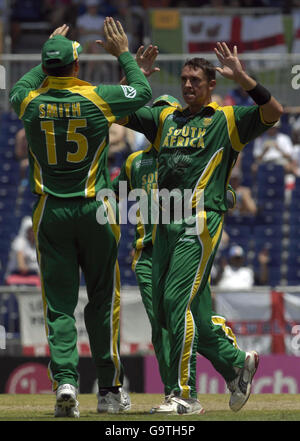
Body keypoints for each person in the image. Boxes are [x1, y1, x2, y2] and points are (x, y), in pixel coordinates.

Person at [118, 42, 283, 414]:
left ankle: (184, 395)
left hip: (198, 222)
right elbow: (115, 109)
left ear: (210, 85)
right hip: (164, 225)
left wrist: (242, 78)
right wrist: (136, 74)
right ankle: (237, 364)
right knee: (172, 311)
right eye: (184, 80)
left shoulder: (226, 120)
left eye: (196, 80)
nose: (188, 85)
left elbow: (274, 112)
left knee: (176, 303)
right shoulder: (166, 119)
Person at [9, 19, 152, 418]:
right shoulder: (96, 97)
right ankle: (108, 390)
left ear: (47, 68)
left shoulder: (30, 103)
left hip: (51, 211)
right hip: (96, 210)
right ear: (76, 66)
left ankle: (67, 382)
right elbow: (142, 91)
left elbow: (17, 89)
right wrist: (124, 53)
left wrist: (47, 54)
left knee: (58, 305)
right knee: (104, 301)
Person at [113, 95, 250, 413]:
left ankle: (204, 381)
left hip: (186, 244)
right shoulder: (134, 162)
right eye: (155, 114)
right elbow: (116, 201)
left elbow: (225, 195)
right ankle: (210, 378)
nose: (158, 119)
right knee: (175, 325)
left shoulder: (192, 160)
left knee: (187, 323)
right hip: (149, 252)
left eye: (164, 113)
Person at [5, 216, 40, 287]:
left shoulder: (36, 244)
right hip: (17, 277)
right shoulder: (19, 242)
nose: (32, 232)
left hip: (32, 278)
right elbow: (22, 267)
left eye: (34, 230)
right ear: (25, 230)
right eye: (30, 230)